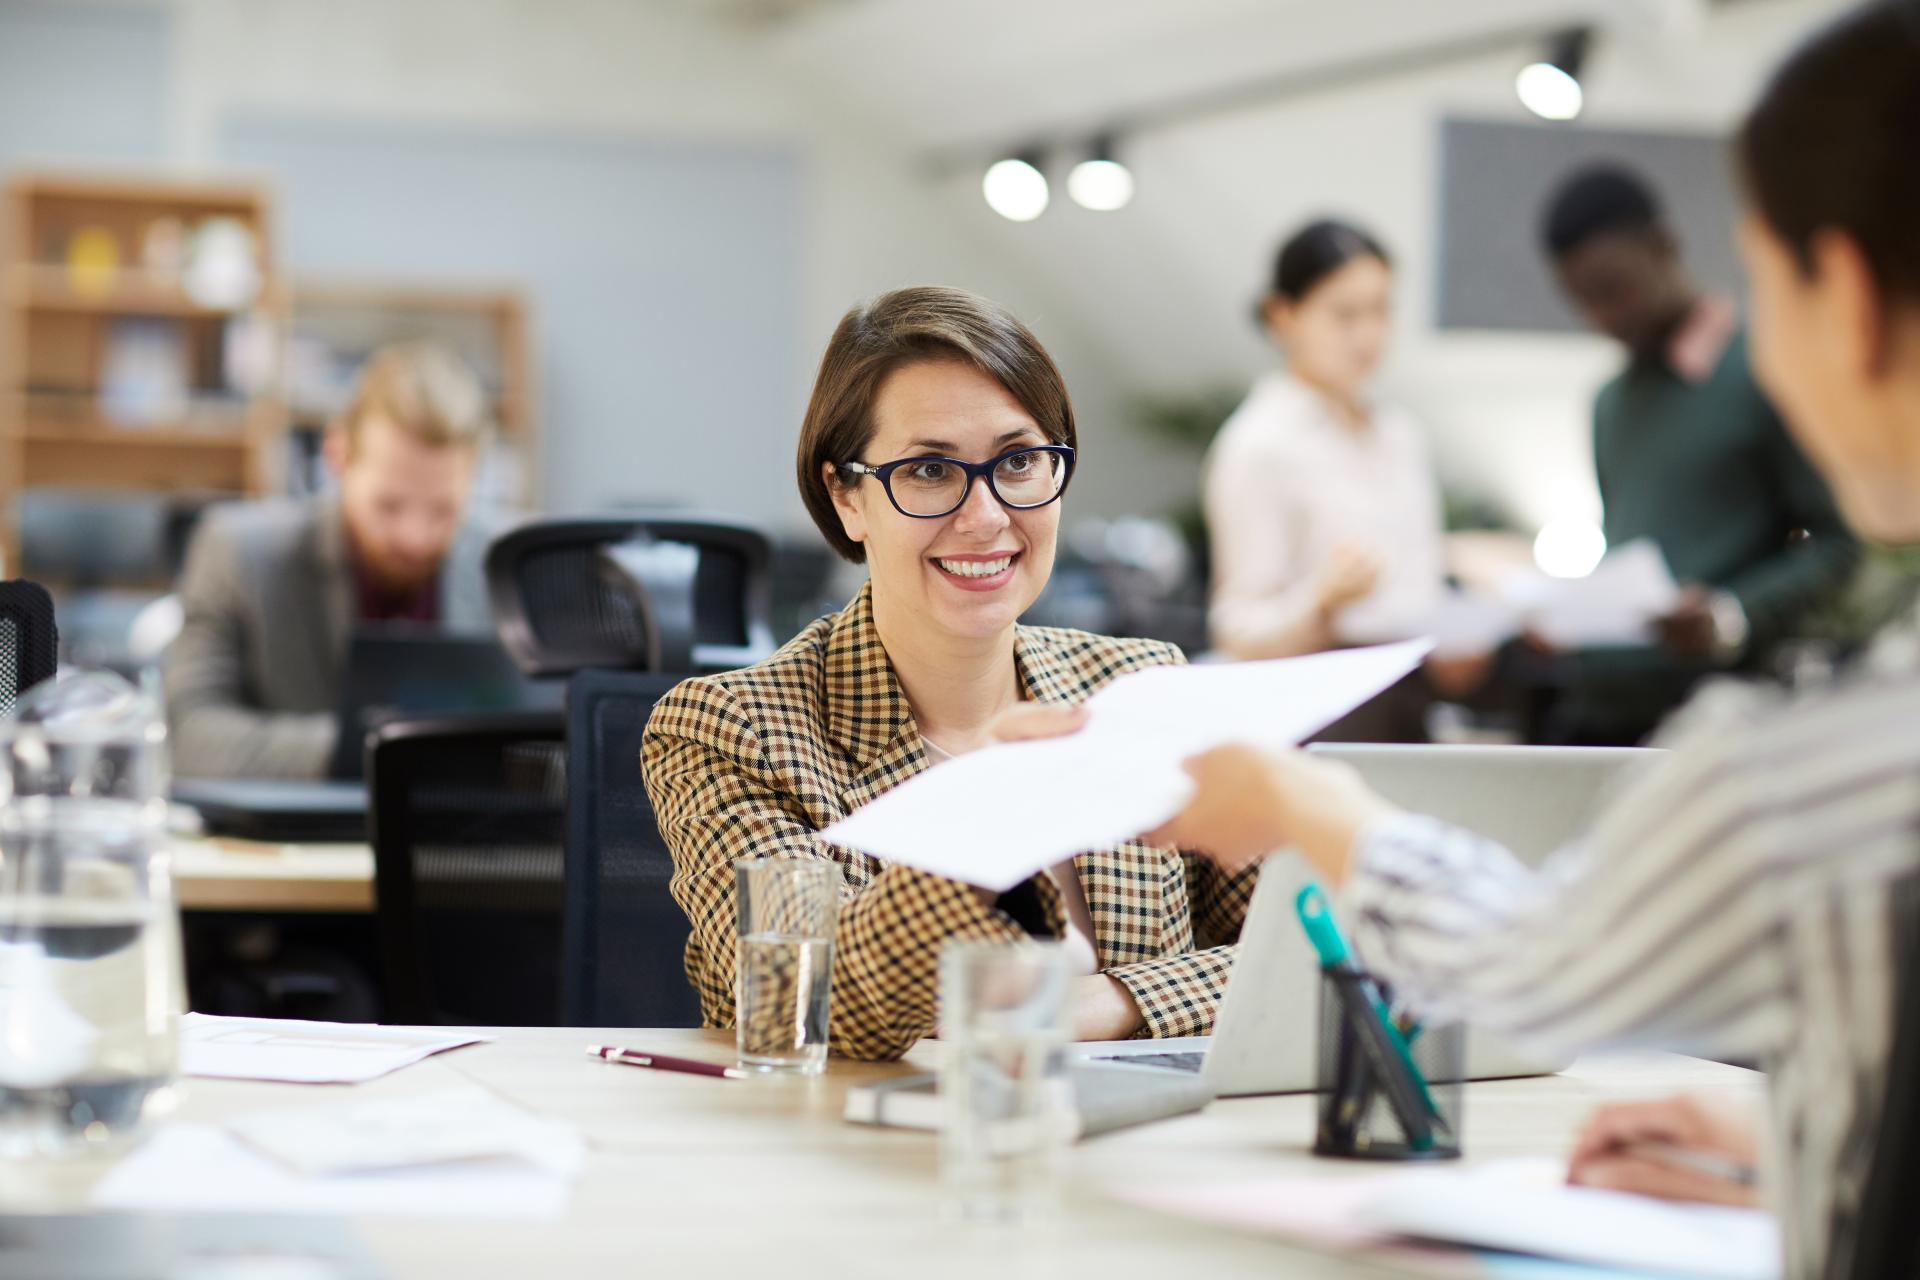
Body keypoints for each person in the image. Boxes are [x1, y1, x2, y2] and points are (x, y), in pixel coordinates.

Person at [1002, 7, 1920, 1273]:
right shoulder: (1291, 440)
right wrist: (1817, 1131)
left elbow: (1526, 964)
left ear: (1852, 306)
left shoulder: (1814, 769)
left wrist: (1301, 803)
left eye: (1768, 284)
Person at [641, 286, 1258, 1063]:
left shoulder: (1139, 689)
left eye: (1021, 461)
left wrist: (1116, 1001)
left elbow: (1313, 948)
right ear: (847, 498)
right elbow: (809, 999)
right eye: (931, 470)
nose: (987, 515)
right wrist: (990, 819)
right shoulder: (736, 730)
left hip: (1132, 1157)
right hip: (855, 1160)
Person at [1539, 162, 1859, 743]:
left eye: (1613, 290)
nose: (1602, 318)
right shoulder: (1610, 403)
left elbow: (1838, 543)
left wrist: (1729, 615)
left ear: (1665, 247)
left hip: (1714, 717)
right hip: (1598, 708)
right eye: (1582, 301)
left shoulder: (1764, 371)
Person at [164, 343, 496, 779]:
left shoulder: (507, 568)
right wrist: (383, 747)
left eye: (443, 511)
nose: (415, 538)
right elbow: (191, 738)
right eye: (390, 506)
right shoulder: (238, 553)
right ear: (338, 455)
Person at [1205, 219, 1446, 665]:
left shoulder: (1400, 434)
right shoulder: (1258, 444)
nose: (1369, 335)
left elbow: (1417, 586)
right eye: (1345, 314)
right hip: (1314, 703)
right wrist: (1321, 602)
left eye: (1380, 310)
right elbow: (1237, 631)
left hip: (1409, 692)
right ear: (1282, 315)